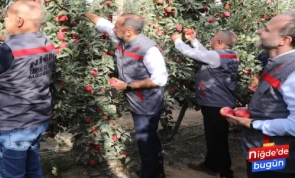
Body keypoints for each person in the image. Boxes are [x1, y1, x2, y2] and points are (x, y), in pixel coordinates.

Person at [0, 1, 55, 178]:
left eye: (7, 16)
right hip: (37, 121)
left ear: (19, 21)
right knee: (33, 170)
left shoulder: (6, 52)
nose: (5, 20)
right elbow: (23, 45)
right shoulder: (46, 42)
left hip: (11, 126)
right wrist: (0, 37)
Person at [84, 12, 168, 178]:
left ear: (128, 31)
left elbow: (160, 79)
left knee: (145, 143)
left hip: (148, 105)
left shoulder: (149, 49)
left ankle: (149, 174)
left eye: (117, 27)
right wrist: (83, 12)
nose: (113, 29)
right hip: (137, 101)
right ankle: (157, 172)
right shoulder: (122, 37)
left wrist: (127, 85)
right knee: (151, 139)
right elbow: (102, 23)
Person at [226, 12, 295, 178]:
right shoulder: (276, 64)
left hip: (276, 156)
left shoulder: (292, 72)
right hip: (264, 152)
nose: (258, 31)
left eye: (266, 29)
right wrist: (254, 110)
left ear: (283, 40)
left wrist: (253, 123)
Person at [171, 30, 239, 178]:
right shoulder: (231, 55)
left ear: (219, 42)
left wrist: (178, 41)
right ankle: (210, 165)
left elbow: (192, 53)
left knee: (218, 140)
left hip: (215, 105)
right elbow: (206, 55)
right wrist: (194, 40)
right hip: (222, 102)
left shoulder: (215, 57)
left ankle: (226, 173)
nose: (211, 38)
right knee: (214, 137)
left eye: (213, 37)